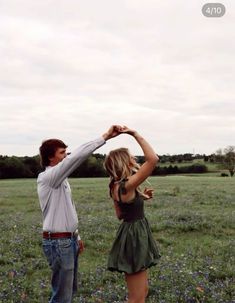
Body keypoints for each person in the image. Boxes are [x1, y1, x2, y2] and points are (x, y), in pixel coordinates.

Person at [37, 125, 123, 303]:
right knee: (62, 296)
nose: (66, 156)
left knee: (68, 292)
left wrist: (76, 236)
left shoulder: (60, 180)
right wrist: (105, 136)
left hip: (67, 240)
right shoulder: (49, 177)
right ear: (50, 157)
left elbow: (67, 209)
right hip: (59, 242)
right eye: (62, 153)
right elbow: (77, 157)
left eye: (66, 152)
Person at [104, 126, 161, 303]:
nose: (134, 159)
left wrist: (140, 198)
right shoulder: (126, 185)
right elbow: (152, 159)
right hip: (134, 237)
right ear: (124, 162)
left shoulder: (115, 185)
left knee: (142, 291)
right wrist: (134, 134)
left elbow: (121, 214)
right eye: (131, 157)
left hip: (131, 234)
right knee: (137, 297)